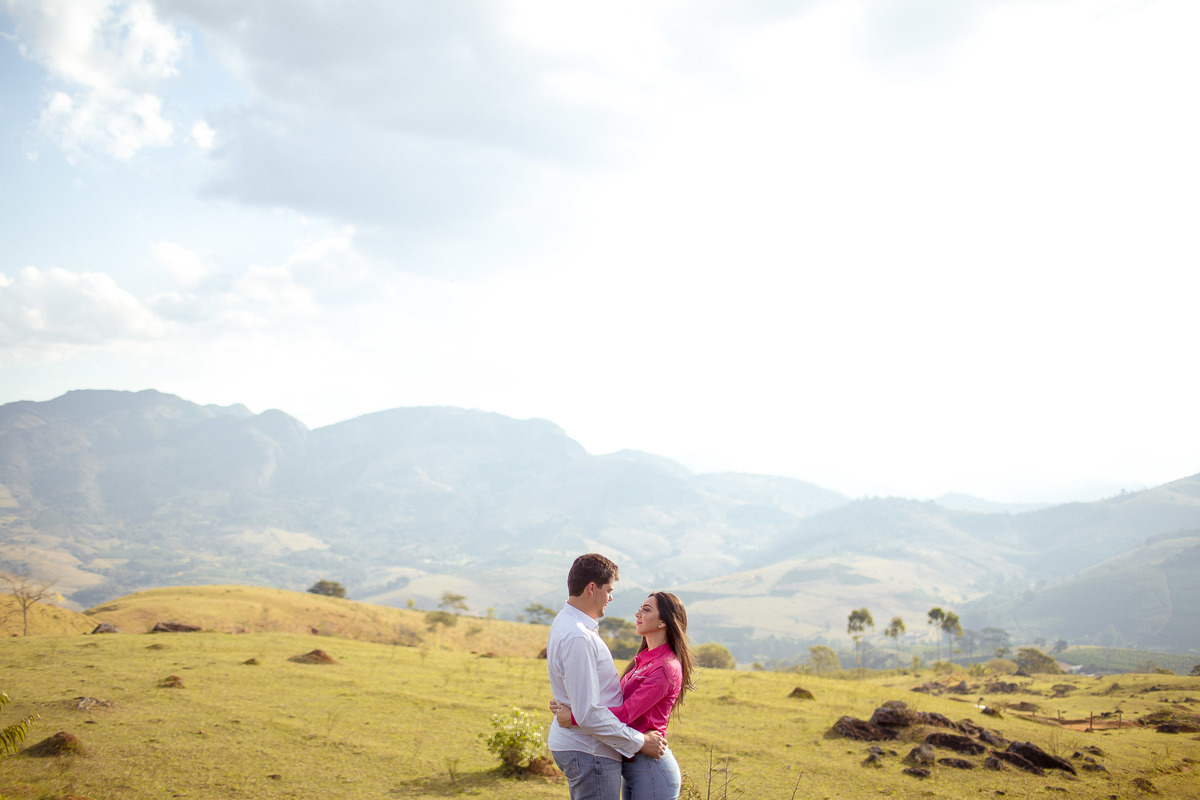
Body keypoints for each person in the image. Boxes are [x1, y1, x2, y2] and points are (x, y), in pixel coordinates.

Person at [547, 553, 668, 800]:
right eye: (609, 590)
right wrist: (640, 741)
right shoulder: (579, 637)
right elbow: (587, 714)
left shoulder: (568, 623)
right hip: (590, 751)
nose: (611, 597)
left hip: (584, 747)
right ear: (592, 588)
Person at [553, 591, 695, 800]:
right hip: (632, 765)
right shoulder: (643, 660)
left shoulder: (666, 667)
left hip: (650, 767)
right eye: (640, 608)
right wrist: (570, 701)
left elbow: (626, 713)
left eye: (646, 610)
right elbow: (612, 699)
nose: (638, 614)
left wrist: (574, 716)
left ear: (664, 621)